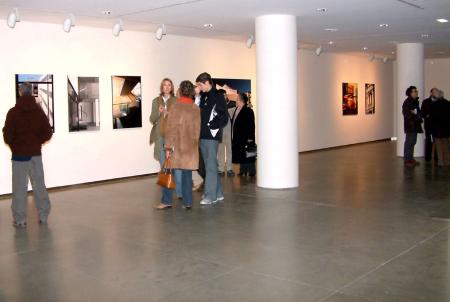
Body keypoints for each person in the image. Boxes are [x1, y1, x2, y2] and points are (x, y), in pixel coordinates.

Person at [2, 82, 53, 228]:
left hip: (19, 157)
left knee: (19, 188)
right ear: (31, 92)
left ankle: (20, 220)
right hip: (35, 155)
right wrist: (37, 142)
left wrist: (15, 144)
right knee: (39, 186)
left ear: (20, 92)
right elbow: (48, 133)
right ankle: (43, 216)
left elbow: (7, 137)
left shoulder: (13, 113)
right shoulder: (38, 111)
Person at [154, 81, 201, 209]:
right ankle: (187, 202)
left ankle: (166, 201)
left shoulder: (175, 107)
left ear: (180, 91)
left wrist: (168, 148)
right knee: (187, 175)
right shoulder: (195, 108)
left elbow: (171, 129)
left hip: (176, 148)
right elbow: (197, 131)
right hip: (190, 148)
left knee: (168, 172)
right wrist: (194, 145)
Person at [196, 72, 229, 205]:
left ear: (207, 82)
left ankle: (210, 196)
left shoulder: (218, 95)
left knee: (210, 166)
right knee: (211, 165)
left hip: (211, 136)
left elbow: (223, 117)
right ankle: (219, 193)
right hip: (203, 136)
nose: (199, 87)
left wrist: (211, 125)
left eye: (200, 84)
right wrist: (198, 95)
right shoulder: (204, 96)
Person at [149, 78, 183, 198]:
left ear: (172, 87)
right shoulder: (156, 101)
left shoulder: (176, 100)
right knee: (164, 165)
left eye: (169, 85)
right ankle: (167, 193)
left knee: (175, 165)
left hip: (172, 136)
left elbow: (180, 119)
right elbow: (152, 119)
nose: (167, 87)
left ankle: (179, 192)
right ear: (162, 87)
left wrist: (170, 114)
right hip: (159, 136)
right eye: (165, 85)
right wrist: (158, 113)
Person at [231, 93, 256, 176]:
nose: (236, 99)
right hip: (238, 137)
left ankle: (251, 171)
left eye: (237, 98)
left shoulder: (248, 110)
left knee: (248, 154)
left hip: (245, 137)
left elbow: (251, 125)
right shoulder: (237, 109)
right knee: (241, 154)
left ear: (241, 100)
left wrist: (250, 137)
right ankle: (243, 170)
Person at [402, 86, 423, 167]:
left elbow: (417, 112)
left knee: (413, 142)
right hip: (410, 126)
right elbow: (407, 114)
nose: (416, 92)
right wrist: (416, 115)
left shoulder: (415, 102)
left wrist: (417, 115)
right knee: (409, 142)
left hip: (415, 125)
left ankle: (411, 158)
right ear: (410, 93)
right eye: (414, 91)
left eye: (416, 91)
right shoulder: (407, 102)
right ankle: (407, 159)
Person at [217, 89, 236, 177]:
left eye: (225, 95)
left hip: (229, 131)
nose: (224, 96)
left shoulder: (232, 104)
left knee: (229, 150)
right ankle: (220, 169)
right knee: (220, 151)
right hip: (220, 131)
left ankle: (229, 169)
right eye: (222, 95)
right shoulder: (216, 105)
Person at [430, 90, 450, 167]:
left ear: (437, 96)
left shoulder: (434, 105)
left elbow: (432, 118)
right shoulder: (448, 103)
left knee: (438, 146)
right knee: (446, 146)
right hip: (446, 129)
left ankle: (441, 162)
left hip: (437, 129)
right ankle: (448, 161)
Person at [421, 88, 439, 162]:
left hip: (437, 125)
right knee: (428, 141)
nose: (435, 93)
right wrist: (426, 115)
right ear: (431, 93)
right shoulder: (425, 102)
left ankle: (436, 158)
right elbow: (422, 112)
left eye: (436, 92)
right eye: (434, 92)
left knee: (437, 141)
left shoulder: (439, 101)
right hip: (428, 125)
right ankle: (428, 157)